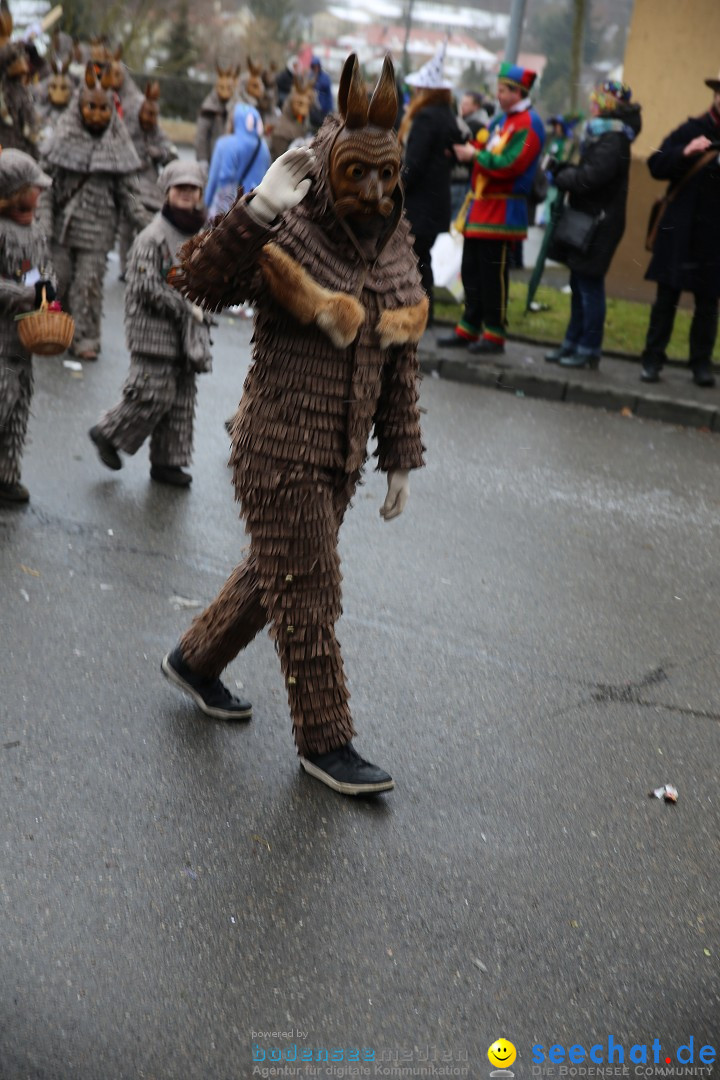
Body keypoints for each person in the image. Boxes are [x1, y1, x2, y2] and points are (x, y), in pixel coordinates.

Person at [161, 54, 428, 796]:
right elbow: (198, 282)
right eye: (358, 176)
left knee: (273, 572)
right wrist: (257, 207)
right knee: (309, 590)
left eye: (387, 176)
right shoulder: (292, 228)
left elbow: (399, 363)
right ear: (331, 164)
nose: (375, 194)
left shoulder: (397, 245)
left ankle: (195, 660)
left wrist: (400, 456)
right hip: (278, 445)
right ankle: (326, 743)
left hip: (340, 454)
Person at [88, 160, 213, 487]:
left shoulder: (200, 234)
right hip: (152, 331)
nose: (187, 194)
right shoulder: (152, 236)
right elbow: (145, 286)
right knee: (151, 392)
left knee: (181, 400)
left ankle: (167, 463)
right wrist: (186, 306)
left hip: (186, 336)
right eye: (180, 188)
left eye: (192, 189)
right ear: (168, 192)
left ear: (200, 193)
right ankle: (107, 433)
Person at [40, 61, 149, 360]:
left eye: (103, 109)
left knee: (88, 284)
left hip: (98, 231)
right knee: (58, 279)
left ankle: (86, 337)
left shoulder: (117, 145)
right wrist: (44, 223)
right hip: (62, 227)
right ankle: (58, 330)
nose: (97, 115)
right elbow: (44, 185)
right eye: (91, 107)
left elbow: (129, 195)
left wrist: (149, 226)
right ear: (79, 106)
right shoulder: (62, 138)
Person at [439, 62, 544, 355]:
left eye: (502, 90)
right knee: (471, 270)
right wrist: (463, 151)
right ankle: (469, 327)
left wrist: (475, 156)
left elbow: (512, 164)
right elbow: (484, 151)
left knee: (492, 274)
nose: (496, 94)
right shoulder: (503, 121)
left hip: (502, 210)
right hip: (481, 207)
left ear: (517, 91)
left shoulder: (529, 124)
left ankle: (494, 333)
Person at [544, 80, 642, 370]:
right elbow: (587, 172)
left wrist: (561, 176)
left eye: (596, 100)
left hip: (599, 223)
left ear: (607, 105)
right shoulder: (604, 135)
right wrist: (564, 170)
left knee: (589, 286)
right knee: (580, 283)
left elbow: (591, 178)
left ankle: (588, 349)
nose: (591, 104)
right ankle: (572, 344)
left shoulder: (614, 140)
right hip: (590, 219)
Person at [639, 73, 720, 388]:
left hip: (714, 237)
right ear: (714, 96)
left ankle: (701, 365)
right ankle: (652, 359)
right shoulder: (691, 129)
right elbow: (656, 165)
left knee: (708, 304)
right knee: (665, 299)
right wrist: (685, 152)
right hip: (679, 230)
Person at [0, 148, 56, 506]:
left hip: (26, 339)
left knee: (18, 408)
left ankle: (6, 475)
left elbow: (42, 270)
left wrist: (48, 293)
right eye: (24, 208)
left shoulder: (34, 233)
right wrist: (23, 292)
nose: (31, 216)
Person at [400, 41, 465, 328]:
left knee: (415, 257)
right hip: (435, 202)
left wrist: (396, 188)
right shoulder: (446, 115)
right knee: (420, 256)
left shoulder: (426, 117)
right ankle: (425, 310)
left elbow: (414, 163)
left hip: (421, 204)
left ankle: (421, 312)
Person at [205, 102, 270, 218]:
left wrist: (207, 202)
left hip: (226, 208)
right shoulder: (263, 147)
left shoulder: (225, 144)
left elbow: (215, 178)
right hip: (253, 209)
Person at [309, 55, 332, 129]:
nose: (315, 68)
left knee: (322, 123)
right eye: (314, 66)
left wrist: (330, 107)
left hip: (323, 105)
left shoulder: (325, 77)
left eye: (317, 66)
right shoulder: (310, 75)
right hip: (313, 106)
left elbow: (327, 89)